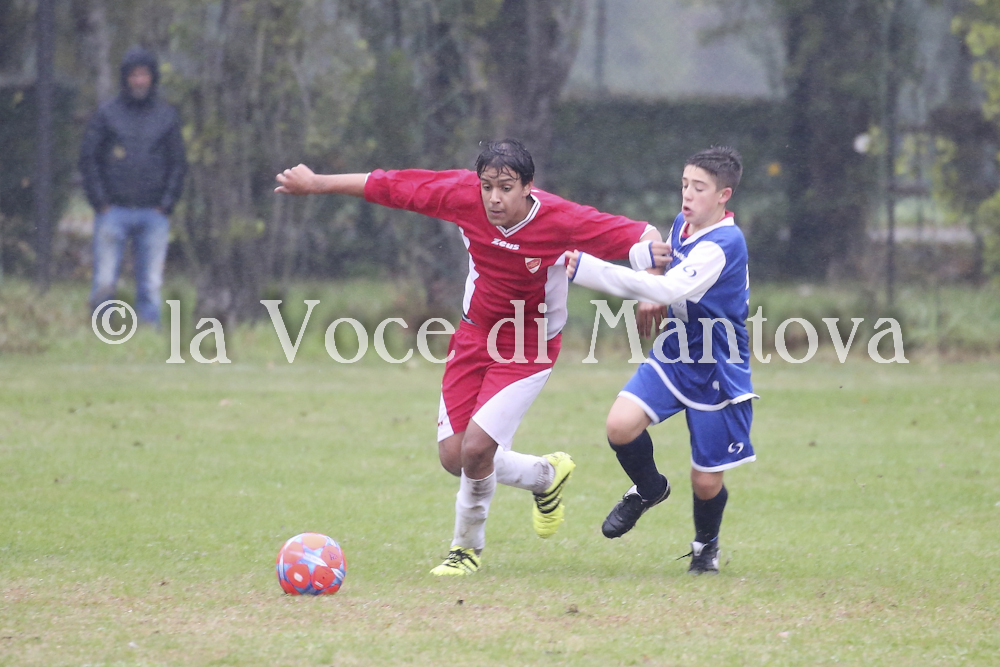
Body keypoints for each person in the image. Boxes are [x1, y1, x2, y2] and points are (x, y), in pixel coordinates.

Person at [275, 139, 663, 575]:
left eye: (506, 188)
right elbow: (390, 186)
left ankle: (466, 549)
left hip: (529, 347)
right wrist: (316, 184)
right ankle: (544, 476)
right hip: (474, 337)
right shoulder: (462, 195)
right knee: (455, 458)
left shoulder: (561, 219)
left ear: (528, 187)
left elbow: (644, 235)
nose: (494, 198)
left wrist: (651, 286)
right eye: (487, 186)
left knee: (477, 450)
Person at [566, 146, 756, 574]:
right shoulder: (683, 226)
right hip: (675, 351)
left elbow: (672, 290)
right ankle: (649, 488)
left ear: (724, 195)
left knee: (705, 481)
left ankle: (706, 547)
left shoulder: (724, 243)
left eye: (699, 188)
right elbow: (658, 260)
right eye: (685, 184)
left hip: (716, 366)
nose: (688, 194)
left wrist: (589, 270)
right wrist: (651, 275)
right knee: (620, 426)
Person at [79, 46, 187, 327]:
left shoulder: (166, 116)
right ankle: (103, 327)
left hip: (154, 212)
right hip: (113, 210)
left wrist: (166, 204)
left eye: (144, 75)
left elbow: (178, 163)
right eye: (134, 75)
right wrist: (100, 202)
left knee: (151, 283)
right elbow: (89, 158)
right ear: (125, 78)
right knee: (104, 279)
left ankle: (149, 330)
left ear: (153, 78)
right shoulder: (107, 114)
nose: (139, 81)